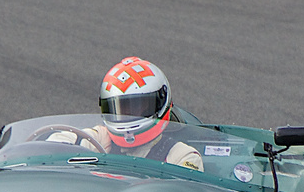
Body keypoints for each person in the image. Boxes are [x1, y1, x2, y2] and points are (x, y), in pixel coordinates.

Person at [46, 57, 203, 171]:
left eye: (138, 108)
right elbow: (54, 146)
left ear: (160, 101)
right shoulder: (101, 138)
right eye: (120, 109)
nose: (128, 115)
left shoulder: (183, 156)